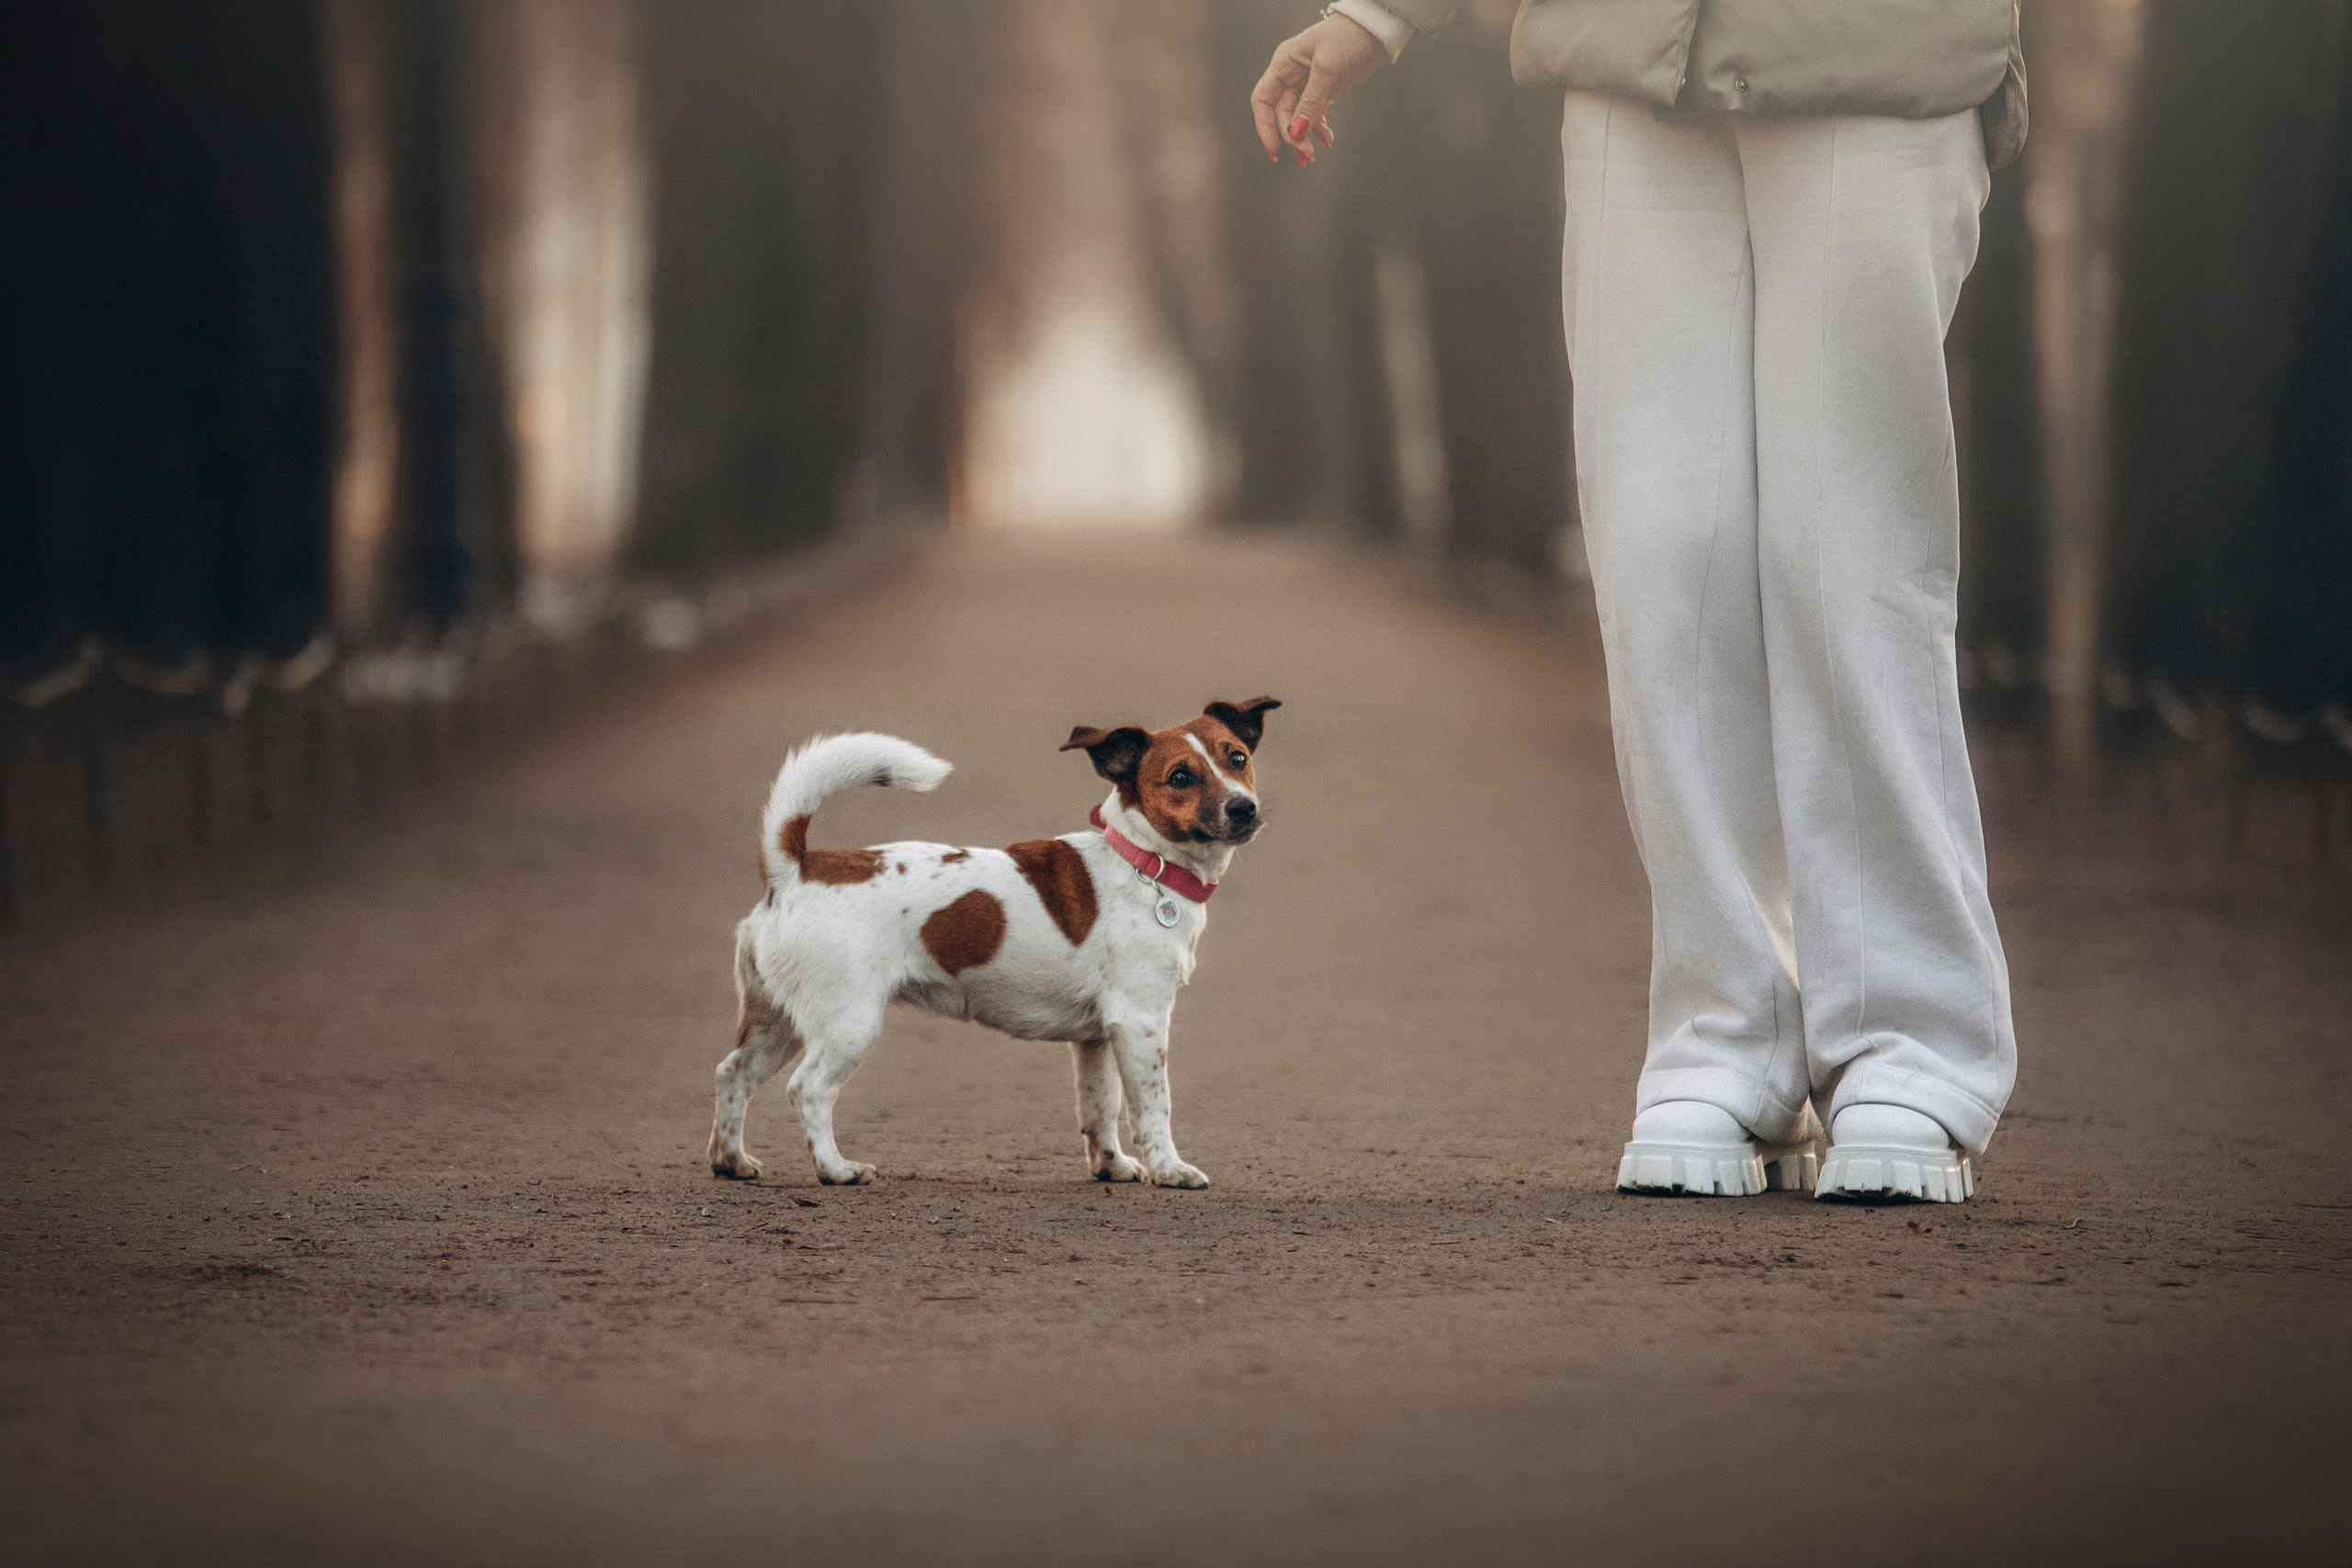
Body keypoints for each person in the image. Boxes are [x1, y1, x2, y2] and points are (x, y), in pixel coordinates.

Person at [1253, 1, 2027, 1202]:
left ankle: (1911, 1046)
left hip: (1877, 53)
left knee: (1845, 549)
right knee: (1664, 557)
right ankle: (1724, 1034)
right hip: (1629, 52)